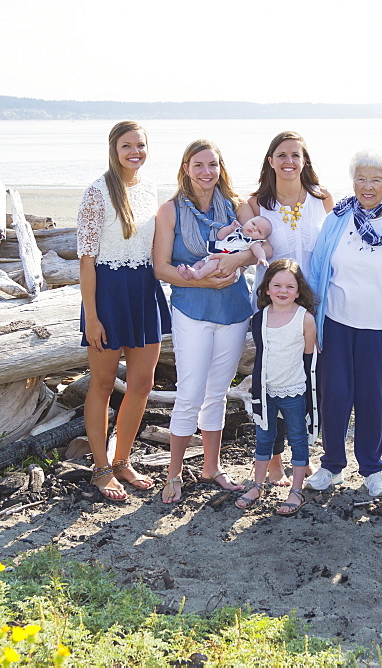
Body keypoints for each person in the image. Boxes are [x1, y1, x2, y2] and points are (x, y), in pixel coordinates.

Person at [303, 148, 382, 498]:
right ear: (352, 181)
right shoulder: (337, 218)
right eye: (361, 179)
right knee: (335, 396)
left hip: (381, 327)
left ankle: (372, 469)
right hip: (337, 323)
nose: (367, 186)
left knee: (372, 398)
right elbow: (317, 272)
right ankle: (332, 465)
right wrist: (312, 321)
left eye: (375, 180)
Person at [152, 139, 263, 504]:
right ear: (185, 167)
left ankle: (211, 467)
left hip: (232, 312)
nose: (206, 172)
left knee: (216, 393)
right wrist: (198, 278)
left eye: (212, 165)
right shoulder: (169, 211)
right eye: (198, 165)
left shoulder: (237, 205)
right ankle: (173, 473)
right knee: (189, 393)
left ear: (220, 167)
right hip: (191, 312)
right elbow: (162, 267)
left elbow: (262, 246)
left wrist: (235, 262)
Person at [77, 120, 170, 501]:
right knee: (101, 384)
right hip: (108, 295)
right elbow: (86, 260)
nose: (135, 152)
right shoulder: (97, 193)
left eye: (141, 145)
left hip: (144, 292)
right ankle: (100, 469)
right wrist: (93, 316)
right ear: (114, 148)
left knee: (142, 384)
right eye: (128, 145)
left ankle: (122, 460)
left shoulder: (150, 190)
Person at [247, 131, 334, 485]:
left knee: (310, 377)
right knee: (273, 378)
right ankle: (276, 462)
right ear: (270, 161)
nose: (289, 162)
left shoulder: (322, 198)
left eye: (295, 155)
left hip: (314, 306)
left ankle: (306, 453)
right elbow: (243, 244)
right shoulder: (256, 204)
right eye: (281, 155)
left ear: (304, 161)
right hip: (274, 307)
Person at [237, 259, 318, 515]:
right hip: (266, 391)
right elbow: (262, 356)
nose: (283, 291)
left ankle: (296, 491)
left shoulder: (305, 319)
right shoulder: (259, 318)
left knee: (297, 438)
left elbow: (309, 359)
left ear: (298, 290)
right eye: (277, 285)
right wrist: (257, 389)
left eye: (290, 286)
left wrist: (309, 395)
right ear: (267, 288)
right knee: (263, 439)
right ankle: (257, 485)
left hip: (294, 391)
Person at [179, 215, 272, 280]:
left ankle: (199, 274)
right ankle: (188, 274)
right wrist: (230, 228)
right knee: (201, 262)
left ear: (262, 238)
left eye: (259, 231)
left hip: (228, 265)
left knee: (214, 262)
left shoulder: (253, 242)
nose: (254, 228)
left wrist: (262, 258)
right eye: (253, 223)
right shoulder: (236, 230)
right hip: (216, 254)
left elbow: (258, 250)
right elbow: (220, 236)